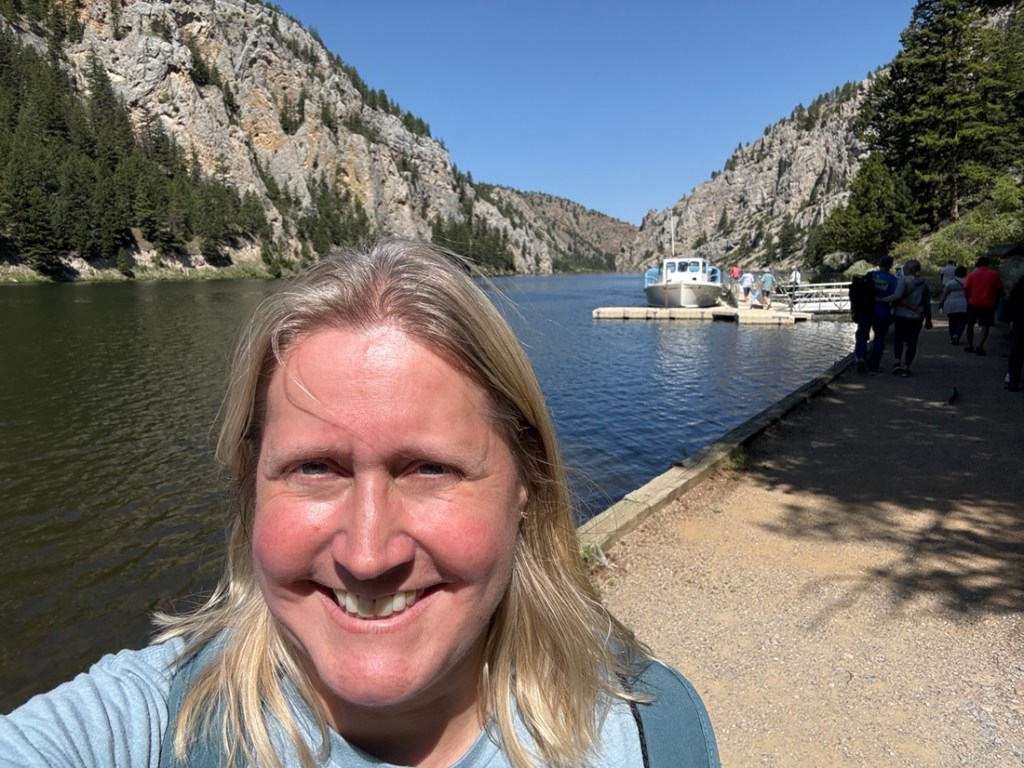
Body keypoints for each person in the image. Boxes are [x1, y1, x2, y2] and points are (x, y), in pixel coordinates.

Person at [0, 240, 719, 768]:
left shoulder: (654, 736)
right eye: (314, 467)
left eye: (430, 468)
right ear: (252, 484)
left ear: (525, 483)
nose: (368, 555)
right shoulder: (156, 724)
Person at [852, 255, 905, 374]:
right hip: (882, 311)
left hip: (866, 309)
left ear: (879, 264)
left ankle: (860, 357)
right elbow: (896, 296)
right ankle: (873, 367)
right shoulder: (892, 279)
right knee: (879, 338)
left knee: (862, 334)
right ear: (890, 266)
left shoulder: (870, 275)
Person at [890, 259, 932, 376]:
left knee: (898, 339)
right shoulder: (924, 284)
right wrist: (928, 319)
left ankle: (897, 362)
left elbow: (897, 297)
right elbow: (926, 303)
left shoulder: (903, 281)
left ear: (908, 269)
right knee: (912, 342)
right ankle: (906, 367)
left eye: (905, 267)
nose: (903, 269)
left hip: (901, 315)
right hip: (916, 317)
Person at [963, 255, 1005, 356]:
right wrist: (996, 301)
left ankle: (970, 345)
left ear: (978, 263)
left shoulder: (972, 274)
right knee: (985, 326)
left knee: (970, 324)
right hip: (988, 303)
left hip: (973, 302)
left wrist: (968, 299)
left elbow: (966, 289)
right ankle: (980, 345)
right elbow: (999, 289)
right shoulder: (994, 275)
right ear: (988, 264)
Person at [937, 265, 968, 344]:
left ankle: (952, 335)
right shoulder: (968, 282)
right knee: (962, 321)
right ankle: (957, 334)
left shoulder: (950, 283)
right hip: (964, 304)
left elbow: (944, 294)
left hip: (950, 304)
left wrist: (941, 303)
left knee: (952, 321)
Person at [1006, 275, 1024, 391]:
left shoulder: (1022, 282)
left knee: (1017, 353)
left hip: (1021, 322)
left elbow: (1012, 300)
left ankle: (1013, 381)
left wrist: (1011, 318)